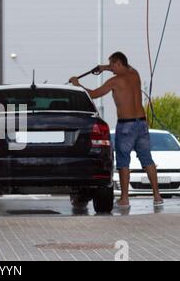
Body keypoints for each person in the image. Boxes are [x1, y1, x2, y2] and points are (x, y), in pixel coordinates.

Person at [69, 51, 164, 208]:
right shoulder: (135, 74)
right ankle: (157, 196)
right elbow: (127, 66)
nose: (111, 68)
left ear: (119, 63)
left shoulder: (115, 81)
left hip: (126, 125)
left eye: (113, 65)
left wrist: (77, 84)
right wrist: (104, 67)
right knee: (147, 160)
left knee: (123, 162)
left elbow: (92, 94)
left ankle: (125, 199)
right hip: (141, 124)